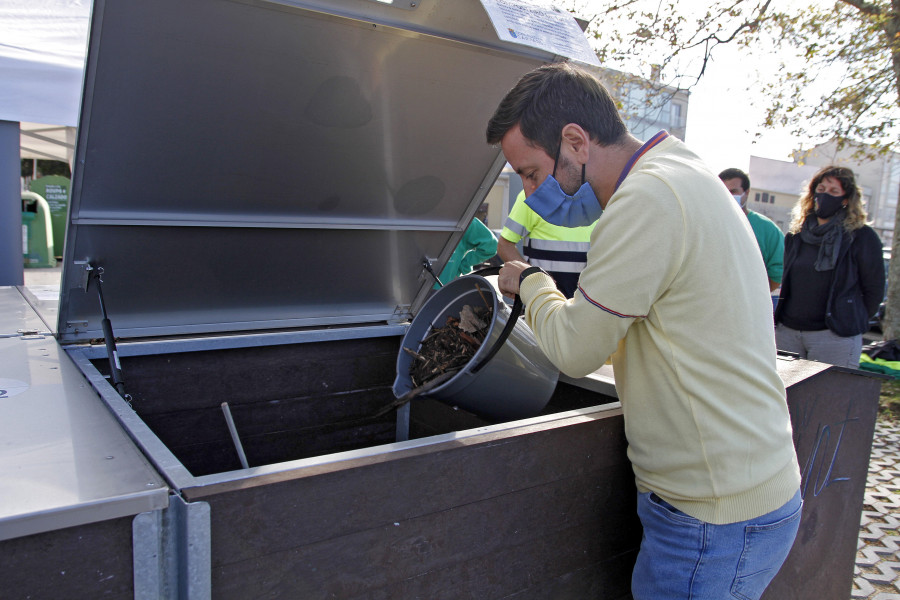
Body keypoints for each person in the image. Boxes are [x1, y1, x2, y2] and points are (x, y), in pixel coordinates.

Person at [487, 62, 801, 600]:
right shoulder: (681, 166)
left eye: (532, 172)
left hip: (710, 515)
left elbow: (573, 349)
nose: (527, 188)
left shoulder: (646, 201)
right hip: (742, 488)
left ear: (575, 141)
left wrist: (529, 282)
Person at [774, 165, 884, 368]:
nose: (825, 196)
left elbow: (874, 290)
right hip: (788, 333)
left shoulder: (861, 237)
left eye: (834, 192)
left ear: (845, 199)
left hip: (834, 337)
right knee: (786, 398)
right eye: (821, 190)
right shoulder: (796, 235)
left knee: (828, 398)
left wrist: (848, 318)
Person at [498, 189, 595, 298]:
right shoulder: (531, 195)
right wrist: (532, 279)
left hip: (588, 302)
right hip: (541, 301)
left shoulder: (602, 197)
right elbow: (505, 245)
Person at [719, 167, 784, 308]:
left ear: (746, 193)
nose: (728, 196)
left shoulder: (767, 229)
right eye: (723, 191)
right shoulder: (708, 224)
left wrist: (753, 295)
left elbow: (777, 272)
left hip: (749, 307)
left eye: (733, 191)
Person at [433, 217, 497, 288]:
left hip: (441, 288)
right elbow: (491, 246)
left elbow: (491, 246)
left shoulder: (464, 219)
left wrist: (463, 266)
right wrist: (462, 266)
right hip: (443, 288)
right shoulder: (463, 218)